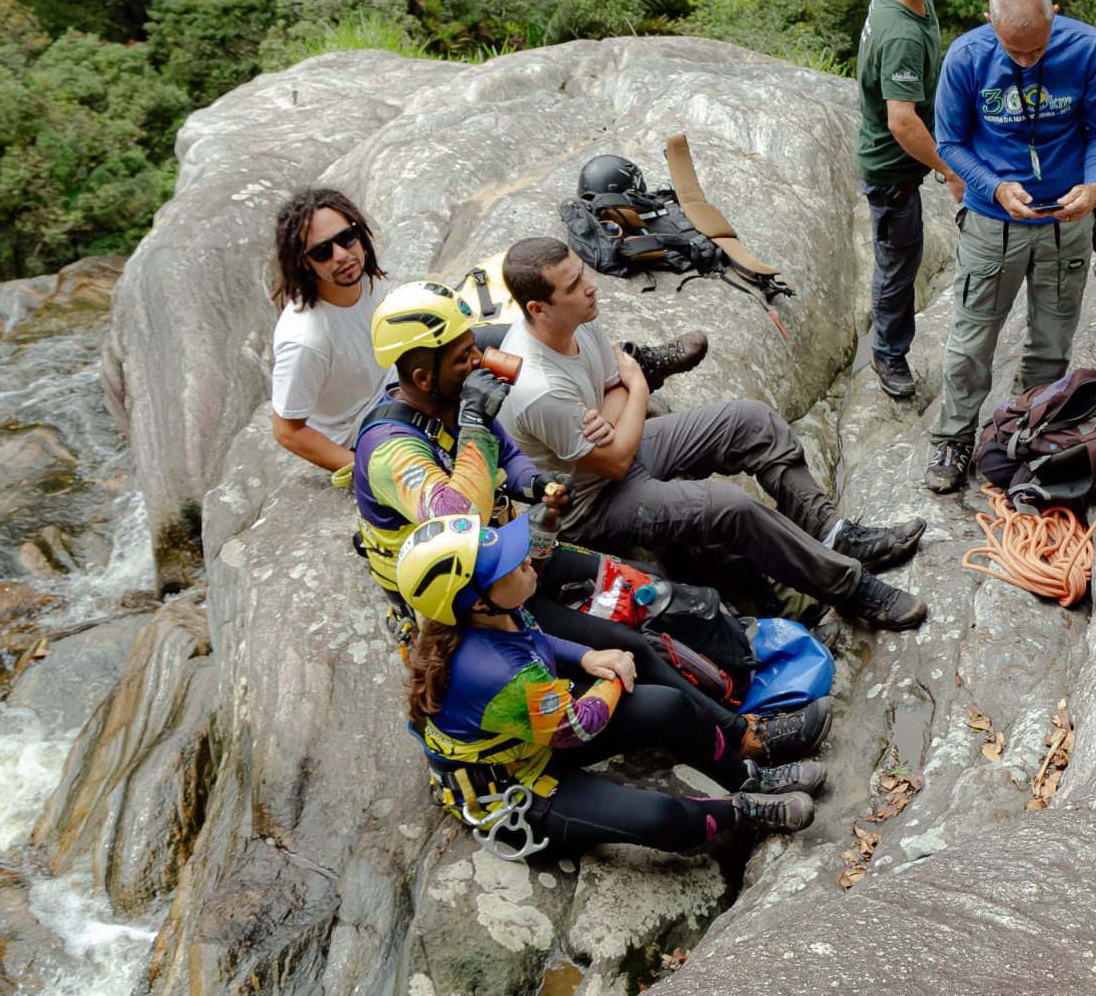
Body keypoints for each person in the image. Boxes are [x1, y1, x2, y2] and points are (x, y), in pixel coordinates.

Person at [485, 236, 933, 629]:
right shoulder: (537, 385)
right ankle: (852, 590)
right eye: (572, 286)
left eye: (582, 273)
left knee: (750, 420)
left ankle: (833, 533)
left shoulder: (580, 317)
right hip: (590, 504)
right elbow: (617, 451)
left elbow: (614, 394)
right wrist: (638, 385)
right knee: (728, 506)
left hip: (620, 450)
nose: (590, 286)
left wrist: (619, 400)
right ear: (538, 308)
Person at [397, 512, 823, 860]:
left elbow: (532, 636)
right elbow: (575, 727)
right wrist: (617, 674)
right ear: (476, 599)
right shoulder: (490, 670)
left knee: (668, 707)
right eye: (512, 565)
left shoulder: (486, 614)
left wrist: (586, 657)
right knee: (662, 817)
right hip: (512, 787)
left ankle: (749, 777)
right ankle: (742, 811)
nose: (526, 559)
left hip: (536, 737)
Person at [924, 0, 1096, 494]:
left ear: (1053, 16)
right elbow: (950, 142)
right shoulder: (966, 58)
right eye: (1016, 50)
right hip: (993, 222)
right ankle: (954, 437)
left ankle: (1025, 428)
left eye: (1038, 47)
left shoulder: (1084, 47)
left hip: (1065, 220)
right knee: (972, 338)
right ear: (992, 24)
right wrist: (993, 185)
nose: (1029, 60)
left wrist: (1095, 185)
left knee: (1053, 340)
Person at [855, 0, 1017, 401]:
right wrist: (950, 169)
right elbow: (901, 121)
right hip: (893, 168)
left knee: (903, 256)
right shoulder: (901, 32)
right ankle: (887, 353)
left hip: (905, 156)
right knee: (899, 262)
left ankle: (887, 345)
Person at [351, 279, 554, 649]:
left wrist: (537, 485)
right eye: (463, 357)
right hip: (443, 589)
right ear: (423, 378)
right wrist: (474, 420)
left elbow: (506, 454)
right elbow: (460, 521)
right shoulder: (389, 450)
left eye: (473, 346)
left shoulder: (451, 400)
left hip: (489, 559)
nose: (478, 360)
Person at [267, 187, 387, 481]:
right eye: (322, 251)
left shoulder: (367, 278)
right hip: (364, 427)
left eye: (347, 237)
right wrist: (365, 470)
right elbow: (286, 431)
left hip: (401, 385)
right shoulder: (305, 339)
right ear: (304, 263)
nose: (342, 255)